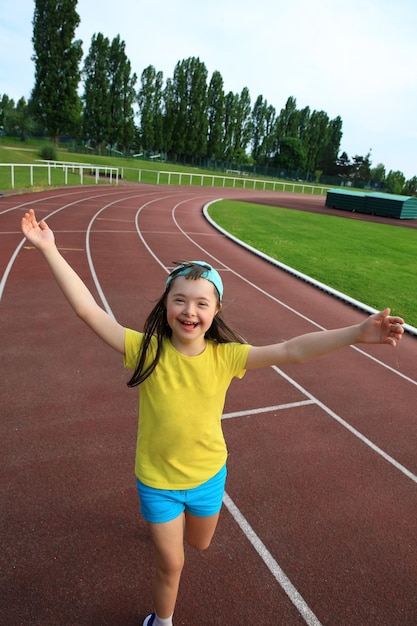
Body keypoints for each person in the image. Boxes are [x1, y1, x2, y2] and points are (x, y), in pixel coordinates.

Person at [21, 208, 404, 626]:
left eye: (202, 303)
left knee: (199, 546)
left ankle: (167, 532)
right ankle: (161, 620)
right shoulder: (147, 349)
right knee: (173, 563)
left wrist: (357, 334)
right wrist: (49, 249)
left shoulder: (228, 357)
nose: (189, 311)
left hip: (208, 477)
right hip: (157, 481)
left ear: (215, 311)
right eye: (179, 299)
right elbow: (89, 312)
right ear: (165, 304)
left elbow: (292, 349)